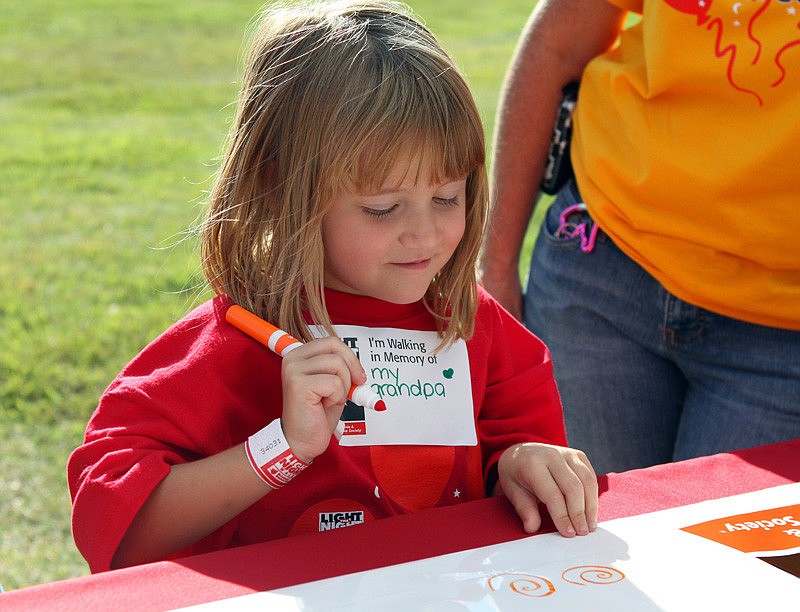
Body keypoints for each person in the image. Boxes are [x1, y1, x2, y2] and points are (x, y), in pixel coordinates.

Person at [68, 0, 598, 573]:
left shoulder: (475, 326)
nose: (423, 233)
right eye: (382, 208)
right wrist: (279, 449)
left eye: (449, 197)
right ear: (284, 188)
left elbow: (518, 466)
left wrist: (522, 463)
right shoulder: (241, 339)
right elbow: (114, 531)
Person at [480, 0, 800, 476]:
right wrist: (496, 268)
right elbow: (557, 45)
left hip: (777, 332)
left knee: (712, 551)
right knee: (577, 538)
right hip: (599, 272)